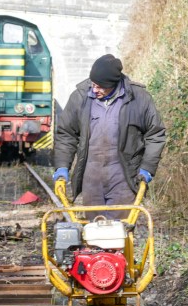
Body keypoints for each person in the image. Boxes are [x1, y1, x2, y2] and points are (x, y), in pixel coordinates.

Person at [53, 54, 166, 218]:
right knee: (94, 230)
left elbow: (155, 134)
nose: (94, 89)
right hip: (91, 177)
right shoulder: (80, 97)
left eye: (100, 87)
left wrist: (147, 168)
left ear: (113, 84)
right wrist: (62, 167)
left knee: (119, 231)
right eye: (93, 84)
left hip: (124, 177)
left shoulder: (138, 98)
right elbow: (66, 134)